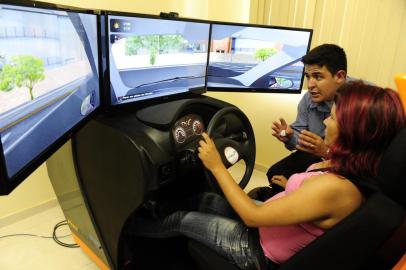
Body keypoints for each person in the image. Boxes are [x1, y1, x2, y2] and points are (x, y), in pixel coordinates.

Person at [126, 81, 406, 270]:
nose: (326, 121)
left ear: (353, 132)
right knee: (204, 199)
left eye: (333, 118)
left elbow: (251, 216)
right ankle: (156, 214)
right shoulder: (353, 168)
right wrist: (294, 188)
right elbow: (314, 196)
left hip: (257, 249)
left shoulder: (336, 189)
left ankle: (132, 231)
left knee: (181, 220)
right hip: (271, 225)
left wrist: (216, 165)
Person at [248, 44, 349, 201]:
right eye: (308, 77)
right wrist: (290, 137)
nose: (310, 85)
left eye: (318, 76)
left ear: (339, 76)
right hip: (319, 157)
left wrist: (326, 152)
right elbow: (301, 140)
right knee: (275, 173)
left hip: (346, 165)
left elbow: (365, 162)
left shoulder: (362, 104)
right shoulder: (308, 99)